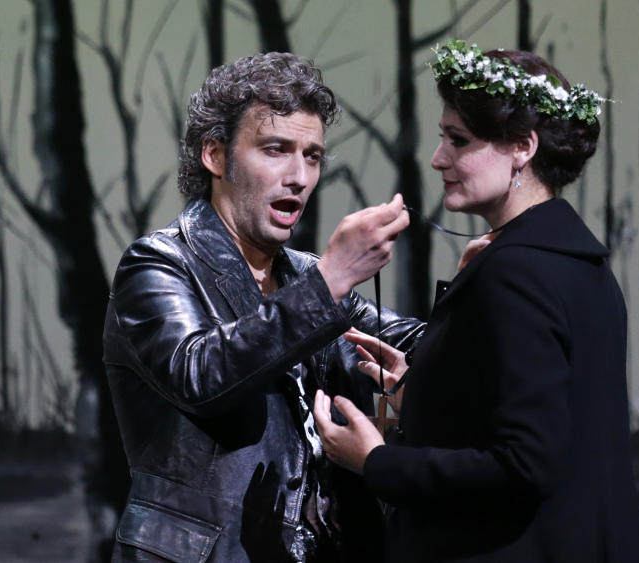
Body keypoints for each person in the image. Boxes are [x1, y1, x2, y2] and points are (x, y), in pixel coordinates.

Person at [313, 40, 639, 562]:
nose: (437, 157)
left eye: (458, 139)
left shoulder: (517, 271)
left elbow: (524, 463)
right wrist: (424, 392)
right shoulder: (577, 265)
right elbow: (541, 422)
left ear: (523, 148)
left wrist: (375, 462)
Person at [103, 52, 425, 562]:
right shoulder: (159, 264)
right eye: (276, 149)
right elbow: (201, 374)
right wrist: (331, 280)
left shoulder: (301, 273)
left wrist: (485, 285)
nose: (299, 175)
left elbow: (413, 341)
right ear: (215, 155)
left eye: (313, 155)